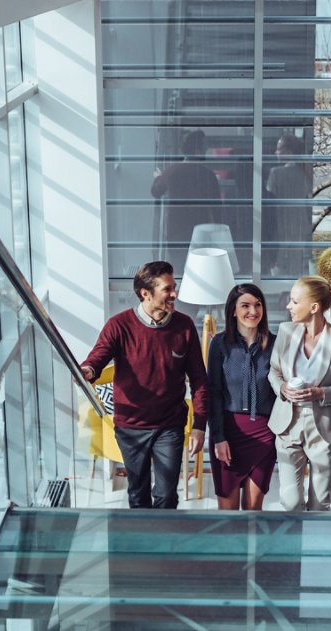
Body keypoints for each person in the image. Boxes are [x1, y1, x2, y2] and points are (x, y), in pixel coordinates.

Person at [79, 261, 208, 509]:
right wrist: (88, 370)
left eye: (174, 287)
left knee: (167, 495)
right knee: (138, 494)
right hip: (130, 426)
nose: (174, 294)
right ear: (145, 293)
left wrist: (200, 425)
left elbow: (200, 379)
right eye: (167, 289)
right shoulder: (118, 326)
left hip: (169, 425)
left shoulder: (184, 326)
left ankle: (163, 545)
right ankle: (142, 543)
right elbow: (98, 357)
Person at [268, 276, 331, 511]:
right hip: (288, 423)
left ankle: (313, 546)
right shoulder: (286, 331)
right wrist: (282, 388)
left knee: (320, 502)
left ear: (314, 307)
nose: (289, 306)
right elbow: (274, 371)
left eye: (294, 301)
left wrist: (320, 392)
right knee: (290, 501)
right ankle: (291, 548)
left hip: (324, 427)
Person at [207, 284, 277, 511]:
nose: (253, 311)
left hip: (265, 434)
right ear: (233, 311)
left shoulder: (275, 344)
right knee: (227, 513)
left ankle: (254, 548)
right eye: (245, 305)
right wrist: (218, 438)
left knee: (253, 511)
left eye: (258, 305)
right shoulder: (219, 344)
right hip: (229, 432)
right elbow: (214, 393)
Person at [150, 129, 221, 270]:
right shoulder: (208, 175)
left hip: (176, 231)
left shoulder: (171, 171)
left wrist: (159, 177)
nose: (206, 149)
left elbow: (156, 192)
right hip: (201, 232)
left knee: (179, 270)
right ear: (197, 149)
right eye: (204, 146)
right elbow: (217, 209)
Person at [265, 134, 312, 278]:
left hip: (281, 223)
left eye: (279, 149)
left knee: (281, 267)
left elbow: (270, 198)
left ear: (288, 151)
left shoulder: (276, 173)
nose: (275, 153)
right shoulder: (304, 173)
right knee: (297, 266)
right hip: (300, 224)